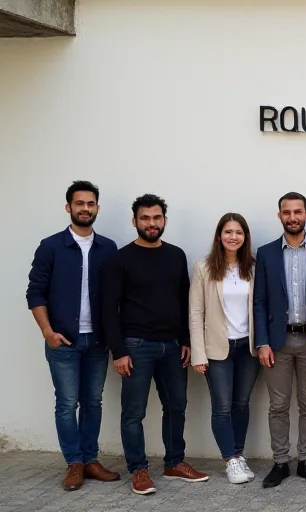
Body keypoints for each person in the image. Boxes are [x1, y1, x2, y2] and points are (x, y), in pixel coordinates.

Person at [102, 193, 209, 495]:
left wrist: (187, 340)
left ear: (164, 220)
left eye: (157, 217)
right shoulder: (120, 259)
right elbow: (109, 309)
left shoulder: (176, 255)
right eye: (145, 218)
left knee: (177, 406)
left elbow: (184, 300)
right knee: (133, 412)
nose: (152, 223)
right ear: (134, 221)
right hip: (136, 346)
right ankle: (138, 469)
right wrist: (119, 350)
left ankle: (175, 462)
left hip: (173, 347)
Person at [26, 181, 120, 491]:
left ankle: (91, 460)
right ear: (68, 207)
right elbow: (35, 292)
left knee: (93, 401)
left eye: (90, 203)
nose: (85, 208)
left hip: (96, 340)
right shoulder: (51, 246)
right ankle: (74, 463)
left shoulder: (108, 248)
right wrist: (47, 332)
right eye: (79, 203)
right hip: (62, 340)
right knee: (67, 404)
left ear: (97, 208)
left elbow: (115, 296)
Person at [253, 192, 306, 488]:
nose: (292, 217)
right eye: (286, 212)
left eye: (297, 212)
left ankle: (305, 460)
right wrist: (262, 342)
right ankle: (280, 463)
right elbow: (260, 301)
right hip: (277, 342)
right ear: (279, 216)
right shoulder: (265, 253)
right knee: (278, 404)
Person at [188, 213, 260, 484]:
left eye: (238, 232)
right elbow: (195, 313)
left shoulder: (253, 268)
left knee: (241, 403)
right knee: (222, 406)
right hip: (217, 349)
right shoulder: (204, 268)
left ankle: (239, 455)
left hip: (247, 347)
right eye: (228, 231)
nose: (233, 236)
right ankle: (229, 459)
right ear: (219, 236)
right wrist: (198, 353)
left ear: (245, 237)